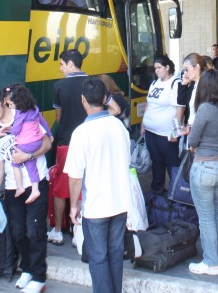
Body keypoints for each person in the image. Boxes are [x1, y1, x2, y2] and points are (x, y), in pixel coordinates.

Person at [65, 77, 131, 293]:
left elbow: (75, 177)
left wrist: (74, 206)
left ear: (82, 100)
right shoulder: (119, 126)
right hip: (120, 202)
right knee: (115, 253)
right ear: (104, 98)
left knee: (98, 258)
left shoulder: (81, 133)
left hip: (96, 206)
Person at [0, 86, 52, 293]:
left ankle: (39, 277)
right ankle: (28, 270)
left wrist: (29, 157)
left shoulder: (25, 113)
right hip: (14, 188)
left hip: (36, 182)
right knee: (18, 232)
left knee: (35, 231)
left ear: (3, 101)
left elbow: (48, 142)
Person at [187, 69, 218, 275]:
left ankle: (210, 262)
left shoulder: (205, 109)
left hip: (206, 167)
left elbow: (192, 140)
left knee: (205, 217)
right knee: (217, 213)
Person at [48, 49, 88, 246]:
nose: (61, 68)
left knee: (60, 186)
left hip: (66, 142)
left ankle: (57, 231)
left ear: (71, 64)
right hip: (88, 142)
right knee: (84, 186)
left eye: (62, 65)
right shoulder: (93, 83)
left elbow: (58, 117)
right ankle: (78, 229)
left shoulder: (59, 86)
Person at [4, 85, 53, 204]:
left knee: (15, 162)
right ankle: (35, 189)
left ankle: (19, 186)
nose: (10, 107)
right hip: (37, 142)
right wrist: (50, 135)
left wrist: (10, 130)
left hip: (26, 143)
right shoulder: (34, 108)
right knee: (31, 165)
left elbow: (16, 130)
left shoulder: (20, 113)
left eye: (10, 104)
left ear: (18, 101)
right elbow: (43, 122)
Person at [141, 56, 182, 193]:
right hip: (151, 132)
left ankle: (176, 193)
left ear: (167, 67)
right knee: (156, 163)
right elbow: (149, 104)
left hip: (166, 134)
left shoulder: (175, 83)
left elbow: (180, 109)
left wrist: (175, 132)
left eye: (159, 68)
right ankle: (157, 191)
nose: (156, 71)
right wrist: (143, 125)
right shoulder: (154, 83)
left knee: (171, 164)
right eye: (155, 68)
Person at [181, 53, 208, 126]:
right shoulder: (193, 85)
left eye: (187, 69)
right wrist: (184, 84)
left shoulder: (207, 85)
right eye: (184, 71)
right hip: (191, 128)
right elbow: (182, 104)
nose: (185, 73)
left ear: (197, 67)